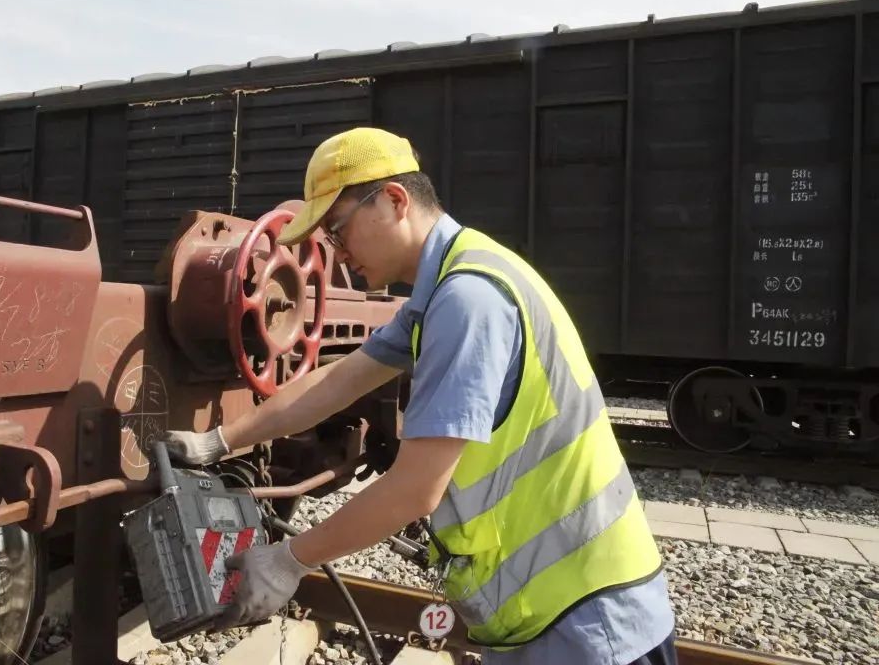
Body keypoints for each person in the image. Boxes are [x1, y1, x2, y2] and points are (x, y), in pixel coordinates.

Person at [159, 127, 679, 664]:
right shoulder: (449, 283)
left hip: (584, 620)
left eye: (339, 230)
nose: (339, 252)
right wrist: (219, 441)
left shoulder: (467, 300)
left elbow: (414, 490)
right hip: (556, 608)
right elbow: (340, 380)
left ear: (393, 200)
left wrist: (289, 561)